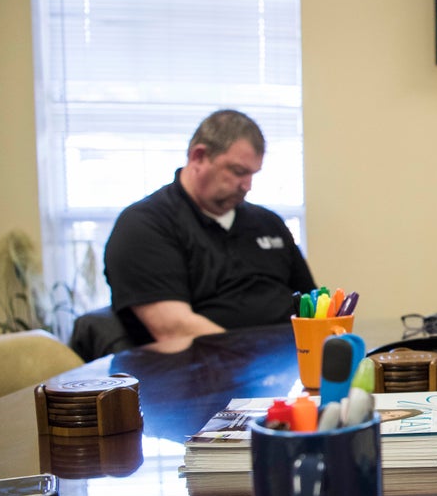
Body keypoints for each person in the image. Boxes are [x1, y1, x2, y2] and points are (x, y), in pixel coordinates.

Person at [104, 109, 315, 348]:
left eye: (252, 174)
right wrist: (249, 359)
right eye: (237, 172)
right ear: (198, 157)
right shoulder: (145, 224)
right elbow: (173, 328)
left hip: (291, 363)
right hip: (205, 370)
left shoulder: (268, 223)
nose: (247, 186)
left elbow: (311, 306)